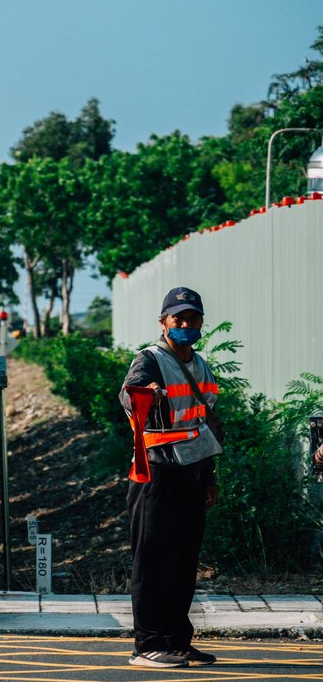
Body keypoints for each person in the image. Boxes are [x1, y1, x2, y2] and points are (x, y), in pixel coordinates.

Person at [119, 286, 223, 669]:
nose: (185, 324)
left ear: (200, 323)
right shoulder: (149, 361)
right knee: (151, 560)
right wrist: (145, 393)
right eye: (177, 318)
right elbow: (129, 396)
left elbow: (205, 424)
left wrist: (209, 478)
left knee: (183, 561)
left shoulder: (201, 366)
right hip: (156, 473)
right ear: (162, 322)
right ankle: (147, 644)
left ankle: (178, 641)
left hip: (192, 473)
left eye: (192, 318)